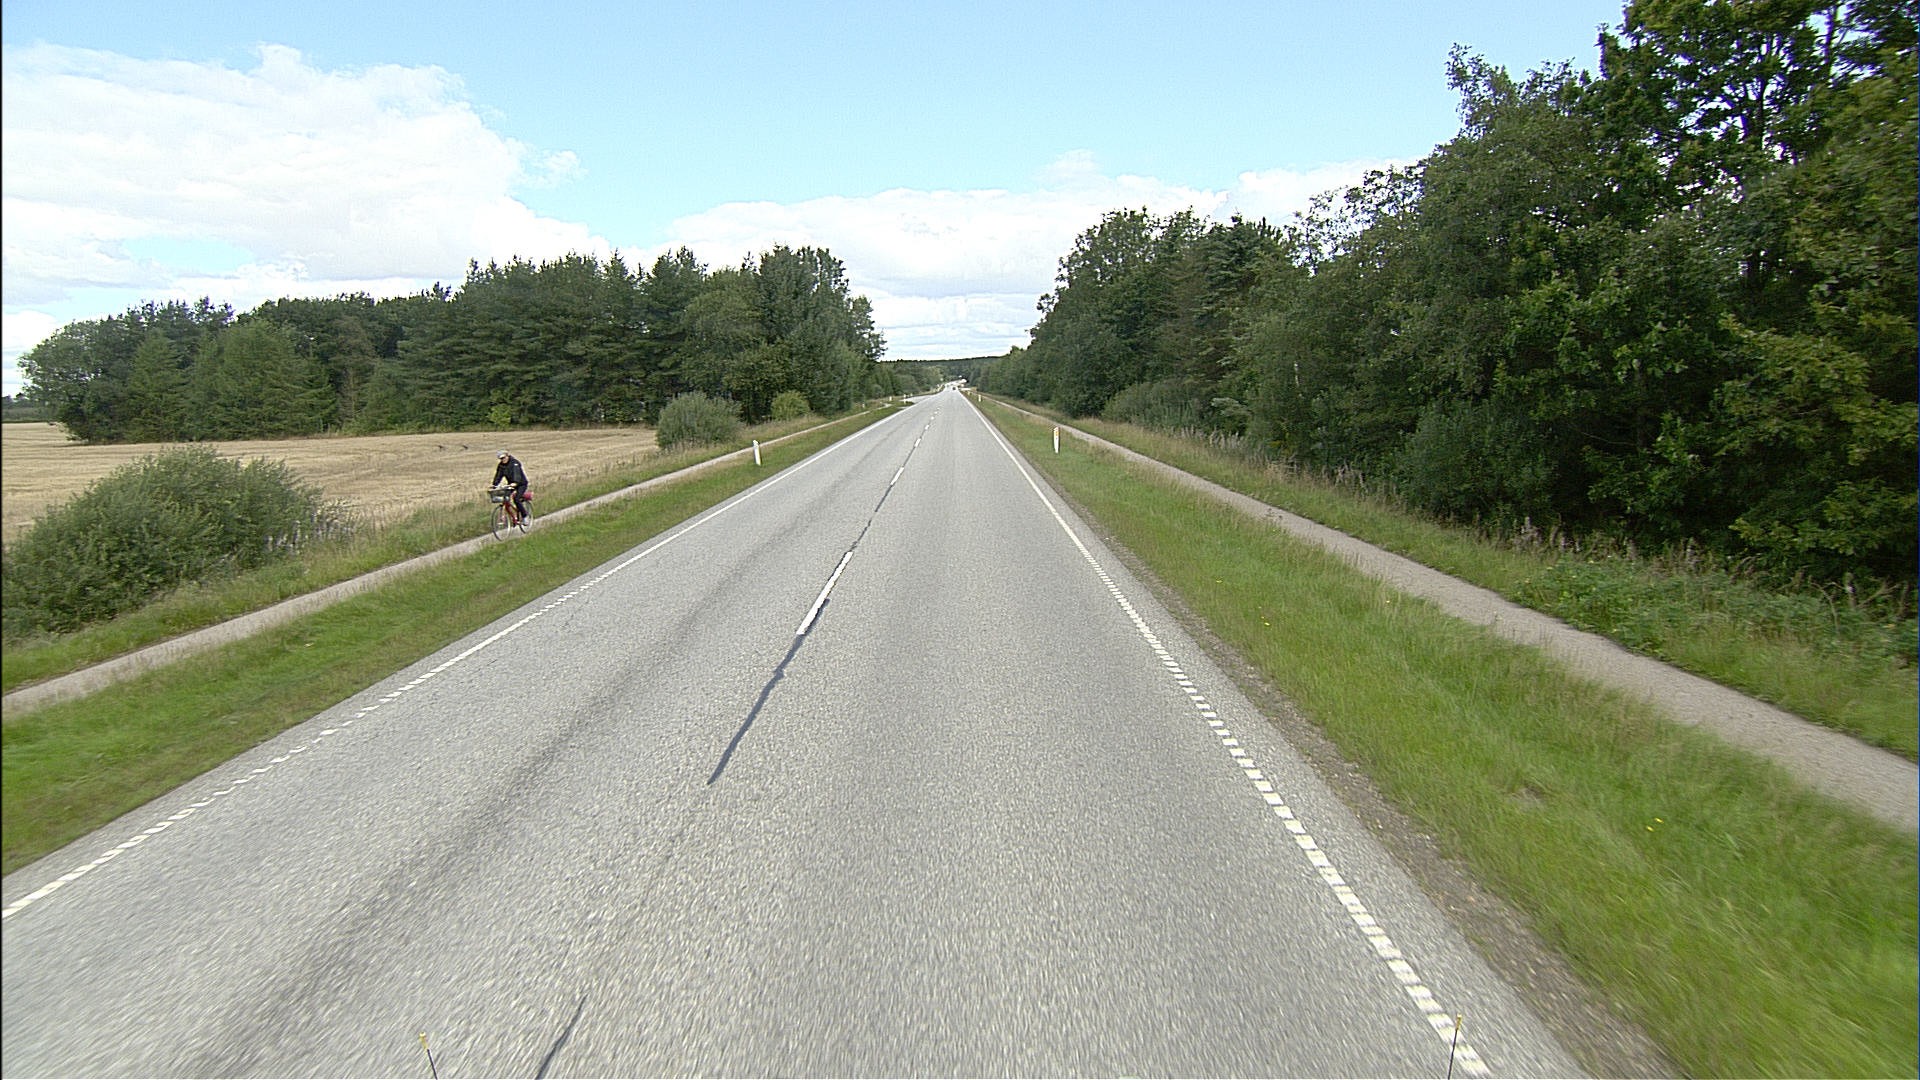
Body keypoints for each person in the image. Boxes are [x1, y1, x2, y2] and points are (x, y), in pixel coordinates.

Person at [492, 451, 530, 521]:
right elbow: (498, 475)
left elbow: (517, 473)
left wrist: (516, 482)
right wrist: (494, 485)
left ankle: (525, 516)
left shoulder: (515, 463)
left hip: (521, 484)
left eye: (504, 458)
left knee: (516, 499)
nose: (503, 460)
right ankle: (513, 518)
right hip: (511, 485)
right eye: (501, 459)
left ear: (507, 456)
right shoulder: (501, 466)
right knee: (505, 498)